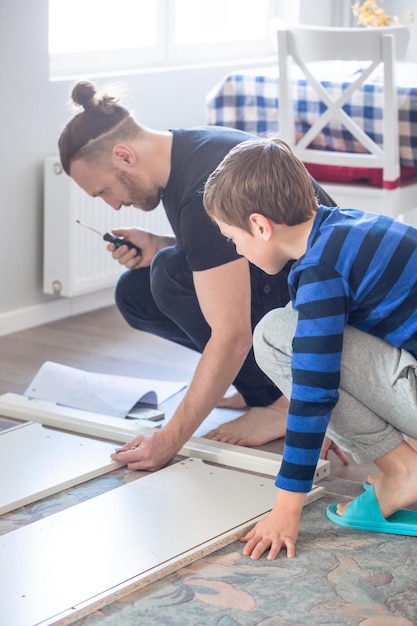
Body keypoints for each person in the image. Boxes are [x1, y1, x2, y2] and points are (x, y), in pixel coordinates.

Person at [58, 80, 345, 472]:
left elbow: (233, 335)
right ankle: (259, 384)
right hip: (294, 290)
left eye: (104, 191)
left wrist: (168, 440)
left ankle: (285, 399)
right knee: (135, 291)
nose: (113, 204)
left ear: (123, 156)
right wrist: (159, 243)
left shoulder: (200, 187)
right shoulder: (189, 148)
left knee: (169, 274)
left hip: (325, 313)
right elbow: (226, 247)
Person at [203, 136, 417, 560]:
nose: (238, 250)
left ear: (261, 226)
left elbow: (314, 393)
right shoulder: (349, 229)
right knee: (299, 325)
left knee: (276, 334)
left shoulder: (320, 270)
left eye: (233, 239)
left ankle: (403, 471)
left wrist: (286, 508)